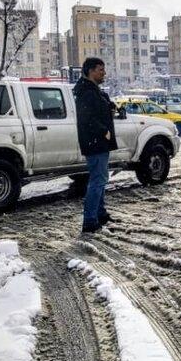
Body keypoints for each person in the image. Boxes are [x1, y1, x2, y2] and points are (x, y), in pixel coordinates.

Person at [73, 57, 119, 233]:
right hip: (95, 142)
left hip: (98, 142)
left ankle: (100, 213)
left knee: (100, 179)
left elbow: (99, 107)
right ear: (91, 71)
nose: (104, 73)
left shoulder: (92, 90)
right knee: (97, 180)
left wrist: (110, 106)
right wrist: (103, 131)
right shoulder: (87, 92)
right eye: (101, 69)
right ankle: (90, 221)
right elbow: (87, 118)